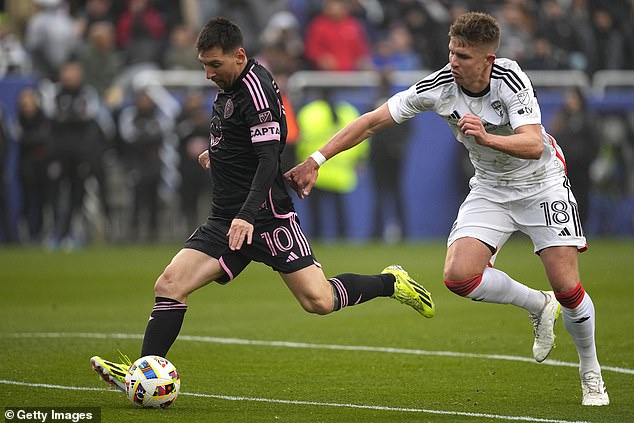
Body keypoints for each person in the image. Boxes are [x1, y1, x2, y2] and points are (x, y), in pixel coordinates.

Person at [89, 16, 435, 393]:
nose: (207, 74)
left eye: (214, 65)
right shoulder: (228, 84)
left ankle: (390, 282)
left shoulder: (257, 90)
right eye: (203, 65)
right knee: (170, 283)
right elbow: (243, 144)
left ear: (239, 56)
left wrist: (247, 215)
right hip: (228, 217)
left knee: (319, 301)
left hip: (266, 218)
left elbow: (270, 159)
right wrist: (217, 156)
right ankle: (141, 372)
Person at [285, 11, 609, 407]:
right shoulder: (439, 85)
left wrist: (487, 139)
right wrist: (317, 159)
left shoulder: (510, 79)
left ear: (488, 60)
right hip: (491, 188)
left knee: (568, 287)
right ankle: (537, 304)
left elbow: (533, 144)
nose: (454, 62)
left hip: (541, 185)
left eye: (464, 56)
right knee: (459, 276)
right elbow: (371, 122)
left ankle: (591, 374)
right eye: (452, 51)